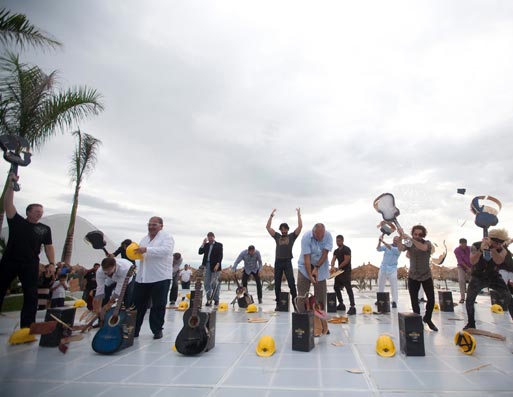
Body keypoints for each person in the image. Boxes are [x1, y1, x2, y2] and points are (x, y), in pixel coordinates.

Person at [0, 173, 56, 328]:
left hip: (30, 263)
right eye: (36, 211)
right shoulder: (16, 221)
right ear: (28, 212)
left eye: (41, 211)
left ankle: (27, 326)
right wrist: (11, 185)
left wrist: (52, 263)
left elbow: (49, 246)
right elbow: (8, 204)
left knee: (31, 295)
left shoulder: (44, 229)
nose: (40, 213)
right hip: (10, 260)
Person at [133, 217, 174, 339]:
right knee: (137, 304)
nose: (151, 227)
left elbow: (165, 251)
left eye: (154, 225)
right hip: (143, 277)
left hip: (160, 276)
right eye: (149, 224)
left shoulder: (166, 237)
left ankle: (157, 330)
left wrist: (147, 250)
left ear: (161, 226)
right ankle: (134, 329)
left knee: (158, 304)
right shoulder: (144, 239)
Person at [464, 228, 513, 330]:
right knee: (469, 300)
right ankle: (471, 323)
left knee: (508, 297)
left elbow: (498, 261)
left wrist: (493, 249)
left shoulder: (503, 249)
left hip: (494, 276)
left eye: (501, 243)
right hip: (478, 275)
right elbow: (472, 261)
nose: (499, 245)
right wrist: (481, 250)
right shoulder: (476, 245)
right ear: (491, 240)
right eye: (496, 243)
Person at [398, 225, 438, 331]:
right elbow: (401, 248)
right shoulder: (409, 243)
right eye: (415, 234)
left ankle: (428, 319)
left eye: (420, 234)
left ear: (423, 235)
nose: (417, 236)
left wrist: (410, 239)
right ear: (413, 233)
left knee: (431, 300)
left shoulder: (427, 244)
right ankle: (417, 319)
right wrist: (400, 237)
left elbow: (422, 248)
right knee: (414, 300)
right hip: (413, 276)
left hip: (426, 275)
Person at [266, 208, 302, 311]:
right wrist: (271, 216)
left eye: (285, 229)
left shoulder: (291, 237)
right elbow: (268, 227)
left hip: (287, 262)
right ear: (280, 230)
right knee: (277, 284)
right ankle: (278, 303)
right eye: (282, 229)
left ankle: (295, 305)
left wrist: (299, 215)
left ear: (287, 229)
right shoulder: (277, 236)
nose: (283, 230)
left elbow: (300, 227)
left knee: (291, 283)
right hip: (278, 262)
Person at [297, 223, 333, 314]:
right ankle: (301, 318)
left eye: (322, 235)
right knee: (302, 295)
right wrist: (310, 275)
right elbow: (307, 258)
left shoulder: (328, 236)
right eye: (318, 235)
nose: (321, 238)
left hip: (320, 267)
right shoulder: (306, 237)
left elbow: (325, 254)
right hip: (305, 267)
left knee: (321, 296)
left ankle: (321, 321)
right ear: (313, 232)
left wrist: (316, 268)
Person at [330, 235, 356, 314]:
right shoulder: (336, 251)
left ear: (342, 240)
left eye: (339, 241)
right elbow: (333, 259)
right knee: (336, 287)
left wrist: (338, 267)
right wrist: (332, 266)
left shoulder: (346, 249)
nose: (338, 242)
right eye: (337, 241)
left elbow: (346, 260)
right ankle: (341, 304)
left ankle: (352, 306)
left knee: (348, 288)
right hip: (339, 272)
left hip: (346, 271)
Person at [198, 232, 223, 306]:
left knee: (215, 283)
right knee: (206, 283)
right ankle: (209, 299)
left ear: (214, 237)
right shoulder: (206, 245)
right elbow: (200, 252)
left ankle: (216, 299)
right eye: (208, 237)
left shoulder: (219, 245)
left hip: (215, 265)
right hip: (207, 265)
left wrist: (218, 264)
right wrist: (203, 243)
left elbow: (220, 255)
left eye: (211, 237)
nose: (210, 238)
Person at [377, 235, 401, 308]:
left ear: (399, 241)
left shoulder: (399, 249)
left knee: (394, 286)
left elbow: (391, 248)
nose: (395, 241)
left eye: (396, 240)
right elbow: (378, 249)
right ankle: (380, 299)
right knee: (381, 284)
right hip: (383, 267)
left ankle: (394, 301)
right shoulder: (388, 245)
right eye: (394, 239)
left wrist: (383, 241)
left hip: (392, 269)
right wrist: (379, 241)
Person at [113, 239, 136, 307]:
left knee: (129, 288)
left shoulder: (132, 249)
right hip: (123, 267)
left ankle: (128, 304)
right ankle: (121, 303)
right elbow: (114, 254)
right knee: (122, 287)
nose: (125, 247)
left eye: (126, 246)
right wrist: (110, 255)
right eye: (124, 246)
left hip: (131, 268)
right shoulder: (121, 248)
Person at [454, 238, 472, 304]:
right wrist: (467, 268)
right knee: (461, 280)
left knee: (472, 281)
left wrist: (471, 268)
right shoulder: (457, 250)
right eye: (462, 244)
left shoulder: (470, 248)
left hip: (471, 266)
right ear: (460, 244)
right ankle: (462, 298)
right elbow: (460, 261)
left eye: (465, 244)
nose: (464, 245)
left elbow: (473, 257)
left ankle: (471, 297)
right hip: (461, 266)